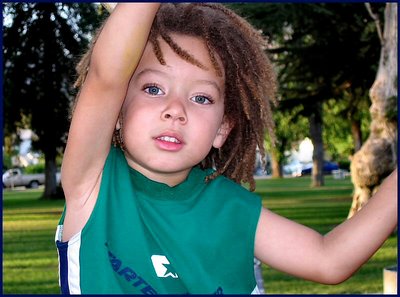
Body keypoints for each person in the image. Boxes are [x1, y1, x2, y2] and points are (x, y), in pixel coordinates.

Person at [55, 3, 398, 294]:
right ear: (117, 111)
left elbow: (330, 259)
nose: (176, 109)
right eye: (154, 89)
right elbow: (107, 75)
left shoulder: (232, 208)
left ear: (222, 129)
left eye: (201, 97)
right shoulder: (93, 184)